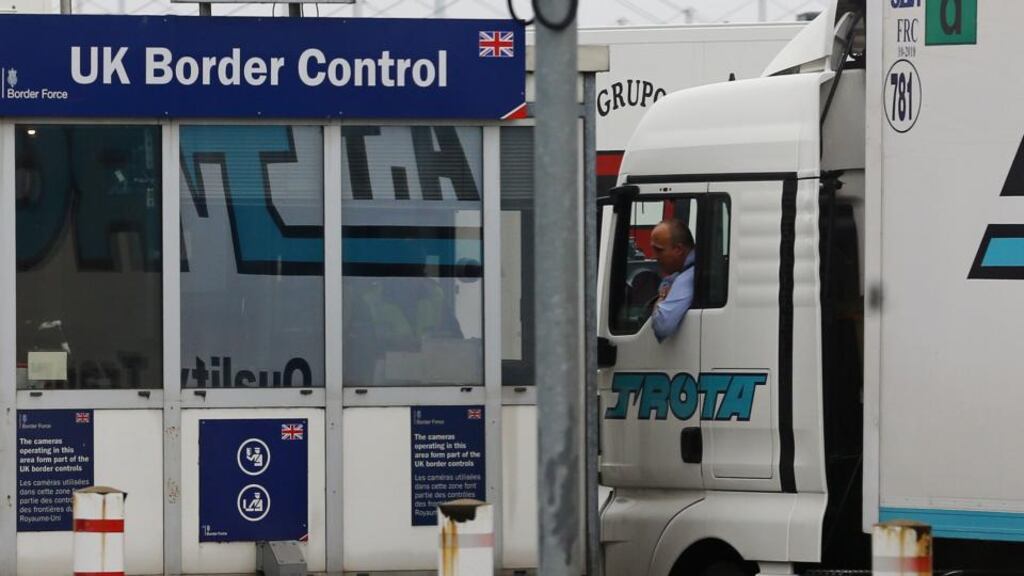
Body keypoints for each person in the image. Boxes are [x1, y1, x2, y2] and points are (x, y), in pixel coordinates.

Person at [650, 218, 695, 342]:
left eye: (659, 250)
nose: (654, 256)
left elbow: (661, 326)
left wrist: (662, 297)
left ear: (678, 250)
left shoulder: (687, 279)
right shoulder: (679, 275)